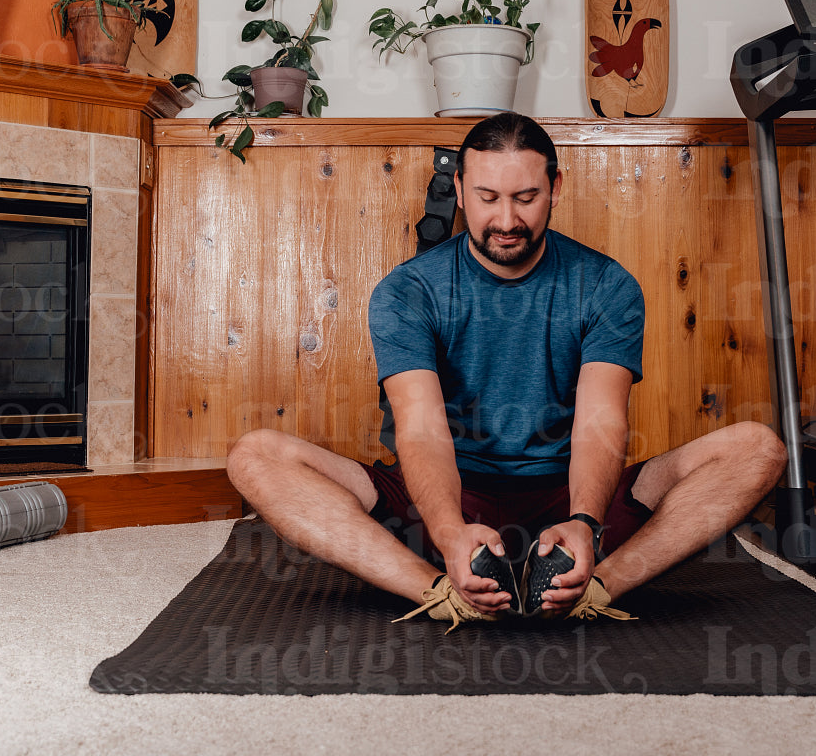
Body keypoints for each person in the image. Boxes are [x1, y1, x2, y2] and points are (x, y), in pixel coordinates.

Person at [226, 112, 786, 629]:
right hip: (441, 498)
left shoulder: (607, 285)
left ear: (556, 190)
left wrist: (586, 521)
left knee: (757, 449)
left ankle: (598, 588)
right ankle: (443, 591)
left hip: (566, 499)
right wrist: (447, 533)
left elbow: (601, 421)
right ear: (463, 193)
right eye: (488, 198)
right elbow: (420, 429)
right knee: (255, 456)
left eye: (526, 198)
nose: (507, 220)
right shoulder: (407, 291)